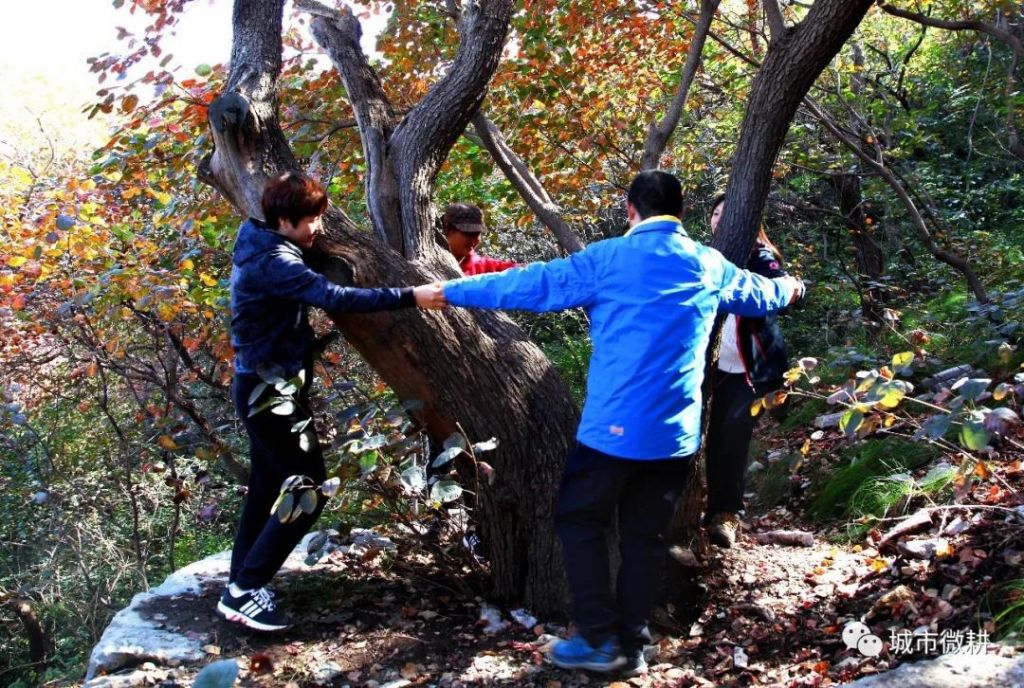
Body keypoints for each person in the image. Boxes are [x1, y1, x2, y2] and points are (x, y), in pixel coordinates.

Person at [441, 171, 804, 673]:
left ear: (630, 209)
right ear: (680, 212)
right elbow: (760, 294)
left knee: (578, 518)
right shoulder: (708, 263)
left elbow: (530, 285)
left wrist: (445, 291)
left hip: (612, 431)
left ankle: (595, 638)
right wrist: (791, 286)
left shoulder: (608, 259)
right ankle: (631, 645)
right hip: (675, 437)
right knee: (644, 538)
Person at [220, 171, 445, 631]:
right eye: (311, 221)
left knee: (268, 486)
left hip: (263, 386)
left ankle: (241, 584)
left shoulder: (261, 240)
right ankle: (246, 589)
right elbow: (333, 296)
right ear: (285, 219)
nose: (319, 229)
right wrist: (412, 296)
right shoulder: (276, 261)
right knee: (308, 484)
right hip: (269, 394)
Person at [704, 195, 791, 548]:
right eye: (714, 213)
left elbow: (780, 288)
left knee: (730, 437)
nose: (718, 219)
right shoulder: (705, 257)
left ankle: (725, 514)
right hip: (706, 364)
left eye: (727, 213)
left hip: (743, 367)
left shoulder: (760, 257)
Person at [443, 202, 520, 275]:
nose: (474, 240)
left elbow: (521, 271)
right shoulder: (432, 261)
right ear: (450, 231)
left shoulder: (486, 267)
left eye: (477, 234)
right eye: (469, 234)